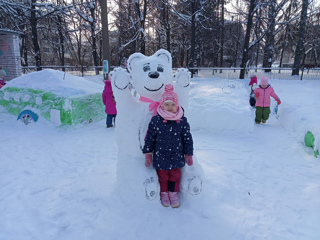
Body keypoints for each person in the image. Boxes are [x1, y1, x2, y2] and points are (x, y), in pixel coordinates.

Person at [142, 84, 193, 208]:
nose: (170, 107)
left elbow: (187, 138)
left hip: (176, 155)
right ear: (162, 105)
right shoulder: (156, 120)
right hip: (161, 155)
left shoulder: (182, 121)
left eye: (172, 105)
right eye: (167, 104)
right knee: (163, 176)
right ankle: (164, 193)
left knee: (175, 175)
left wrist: (188, 154)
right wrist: (148, 153)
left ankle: (173, 193)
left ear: (177, 106)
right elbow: (149, 138)